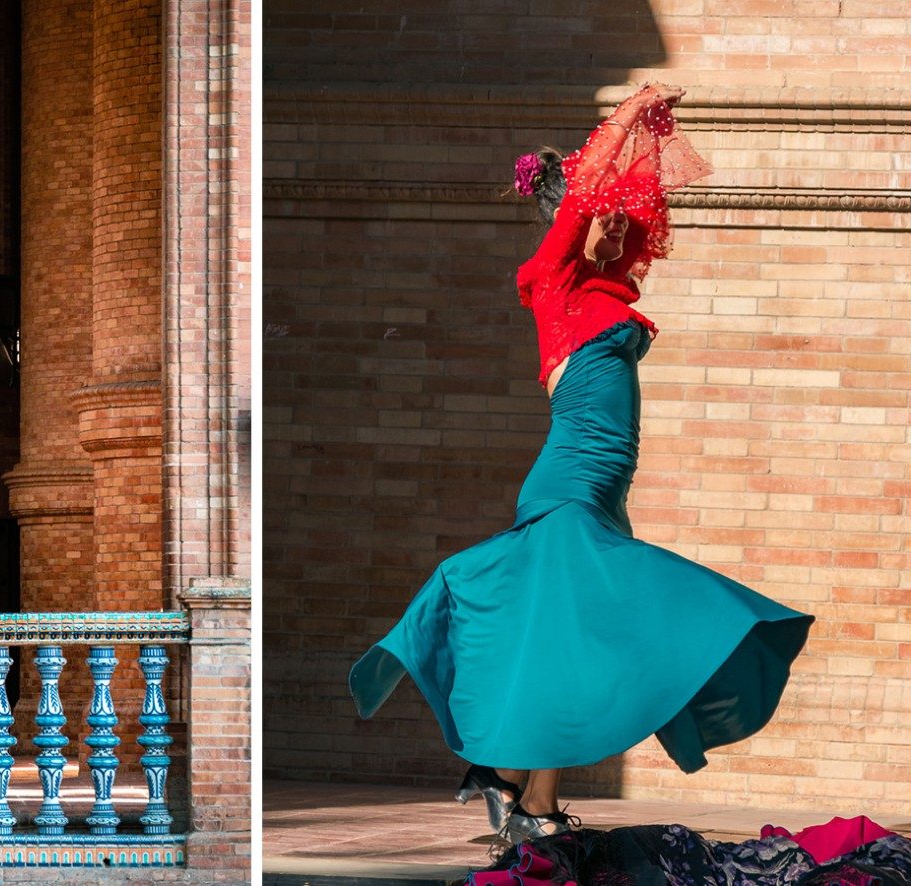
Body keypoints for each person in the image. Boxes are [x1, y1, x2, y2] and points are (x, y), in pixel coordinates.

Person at [348, 84, 815, 845]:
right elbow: (585, 201)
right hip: (568, 483)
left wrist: (641, 161)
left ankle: (509, 781)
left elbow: (627, 210)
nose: (617, 224)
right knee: (573, 631)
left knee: (567, 633)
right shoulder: (554, 282)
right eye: (603, 213)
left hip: (600, 491)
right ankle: (523, 795)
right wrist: (632, 115)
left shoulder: (607, 289)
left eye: (620, 218)